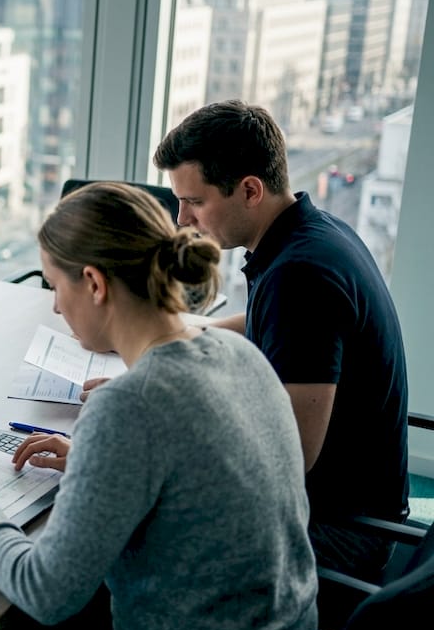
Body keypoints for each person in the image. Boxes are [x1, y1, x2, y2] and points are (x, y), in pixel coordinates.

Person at [0, 182, 317, 630]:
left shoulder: (129, 406)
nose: (54, 305)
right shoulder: (239, 352)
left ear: (94, 283)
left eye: (55, 286)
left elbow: (46, 592)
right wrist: (98, 463)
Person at [154, 100, 409, 579]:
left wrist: (155, 410)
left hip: (341, 529)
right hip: (352, 503)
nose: (182, 219)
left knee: (142, 529)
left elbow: (287, 456)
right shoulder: (312, 233)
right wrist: (179, 334)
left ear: (249, 189)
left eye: (195, 201)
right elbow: (265, 325)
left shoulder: (300, 276)